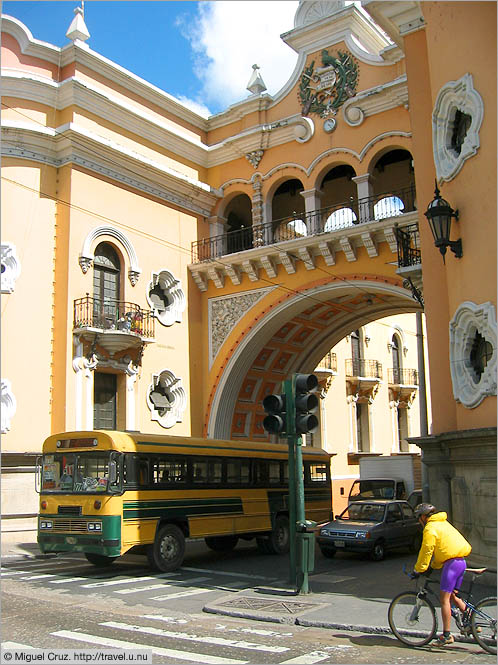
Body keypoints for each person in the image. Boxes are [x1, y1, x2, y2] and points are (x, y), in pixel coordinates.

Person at [413, 503, 472, 646]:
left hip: (451, 565)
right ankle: (472, 622)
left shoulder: (430, 528)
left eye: (418, 518)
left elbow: (427, 550)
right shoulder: (443, 523)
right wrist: (433, 567)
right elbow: (444, 549)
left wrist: (419, 569)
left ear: (423, 517)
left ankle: (446, 635)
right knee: (453, 595)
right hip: (461, 562)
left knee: (444, 599)